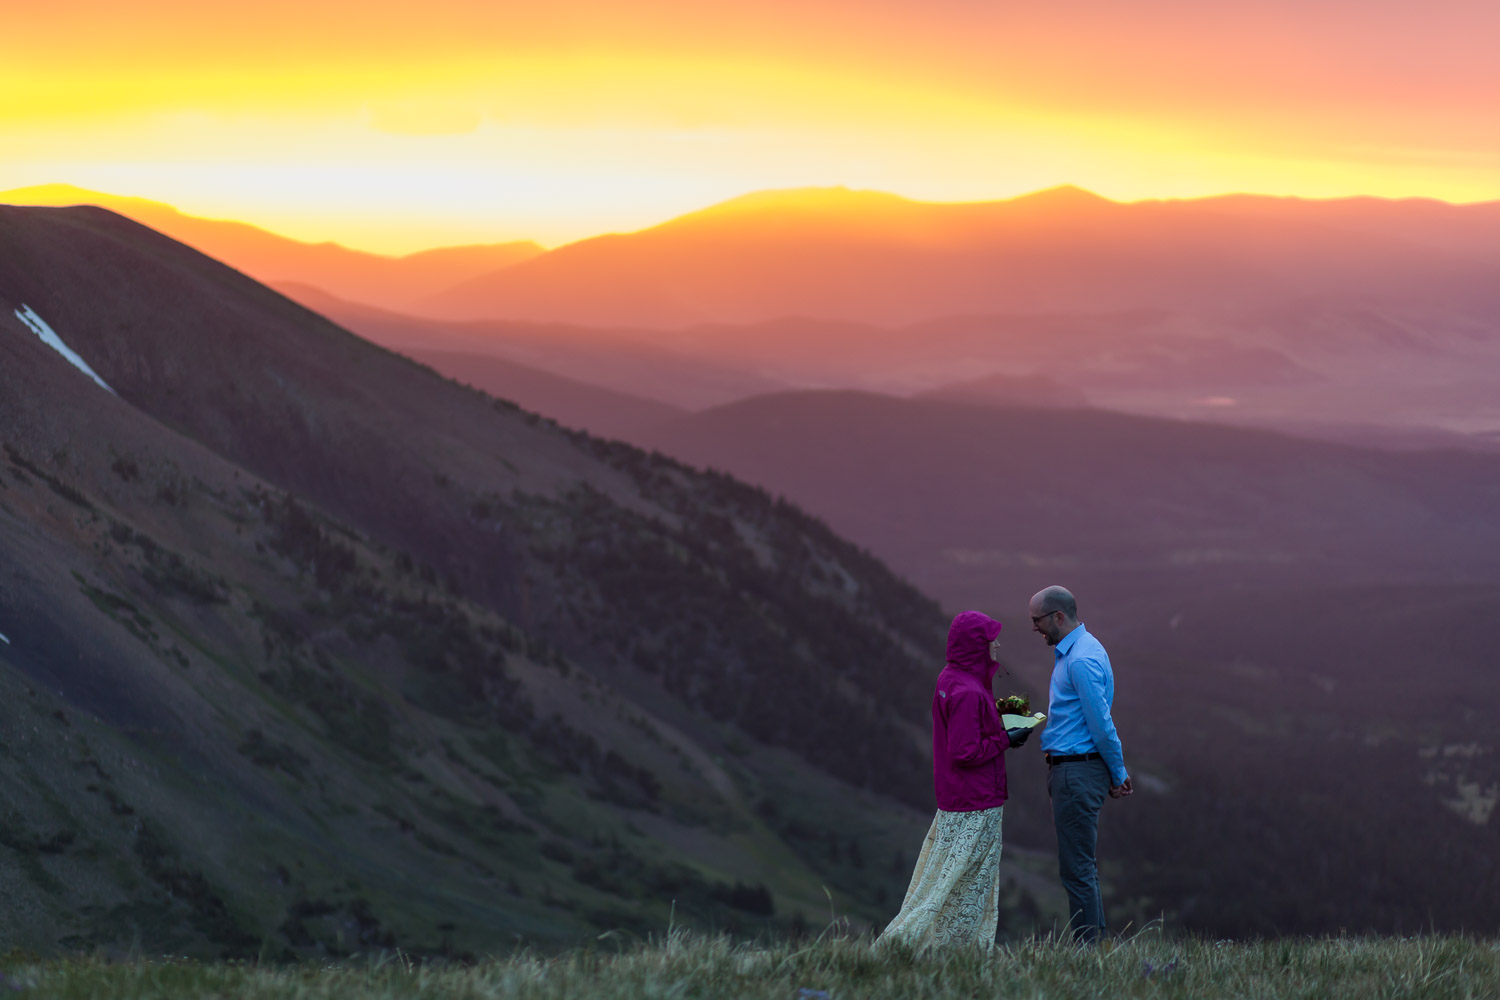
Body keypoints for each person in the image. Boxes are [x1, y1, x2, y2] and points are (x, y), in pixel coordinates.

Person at [877, 610, 1034, 951]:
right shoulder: (969, 692)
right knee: (970, 882)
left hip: (956, 798)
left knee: (942, 877)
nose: (997, 644)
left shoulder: (952, 679)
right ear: (977, 645)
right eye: (991, 638)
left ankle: (930, 947)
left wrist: (997, 718)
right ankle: (947, 950)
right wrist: (1009, 738)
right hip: (977, 800)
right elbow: (965, 751)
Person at [1030, 585, 1130, 945]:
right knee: (1081, 866)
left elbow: (1102, 724)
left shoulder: (1081, 660)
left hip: (1076, 772)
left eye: (1037, 621)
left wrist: (1118, 773)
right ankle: (1095, 945)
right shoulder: (1079, 652)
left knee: (1077, 869)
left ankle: (1088, 951)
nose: (1035, 628)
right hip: (1074, 770)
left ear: (1059, 616)